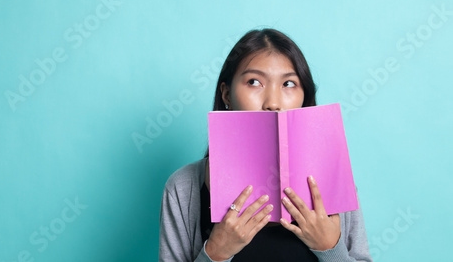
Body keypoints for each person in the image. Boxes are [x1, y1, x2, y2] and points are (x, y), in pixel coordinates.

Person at [159, 29, 373, 262]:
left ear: (304, 97)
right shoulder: (183, 187)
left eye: (289, 83)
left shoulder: (336, 183)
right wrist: (216, 253)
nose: (273, 103)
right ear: (227, 95)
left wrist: (331, 248)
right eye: (254, 82)